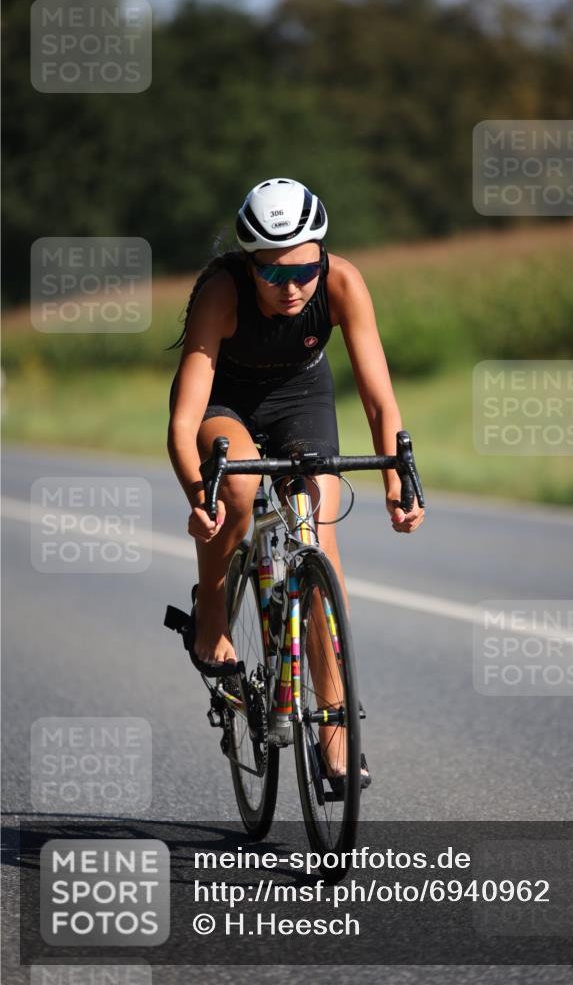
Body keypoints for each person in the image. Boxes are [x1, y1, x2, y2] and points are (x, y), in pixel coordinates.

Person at [167, 177, 424, 782]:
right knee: (236, 490)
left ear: (321, 255)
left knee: (317, 539)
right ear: (249, 264)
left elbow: (381, 403)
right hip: (225, 402)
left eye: (304, 271)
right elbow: (182, 423)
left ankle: (334, 722)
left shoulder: (341, 283)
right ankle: (211, 618)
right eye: (275, 275)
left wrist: (397, 481)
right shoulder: (220, 294)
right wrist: (195, 494)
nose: (293, 287)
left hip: (300, 397)